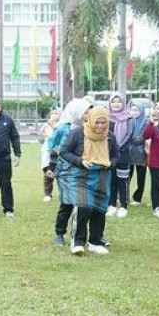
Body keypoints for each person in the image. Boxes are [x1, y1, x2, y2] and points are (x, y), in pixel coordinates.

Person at [58, 107, 118, 255]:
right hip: (81, 175)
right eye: (97, 122)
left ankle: (95, 241)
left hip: (102, 175)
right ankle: (77, 242)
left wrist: (111, 163)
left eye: (103, 123)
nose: (100, 126)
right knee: (84, 206)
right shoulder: (77, 134)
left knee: (100, 208)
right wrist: (80, 161)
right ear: (90, 120)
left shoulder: (110, 136)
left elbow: (117, 154)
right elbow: (63, 151)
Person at [46, 98, 92, 246]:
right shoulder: (63, 128)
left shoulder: (91, 128)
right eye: (86, 112)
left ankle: (80, 234)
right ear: (77, 113)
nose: (89, 114)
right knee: (67, 203)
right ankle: (59, 233)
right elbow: (50, 147)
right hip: (65, 171)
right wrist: (49, 167)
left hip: (85, 169)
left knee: (85, 204)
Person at [106, 92, 135, 218]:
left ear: (123, 103)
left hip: (123, 155)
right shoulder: (107, 117)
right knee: (111, 180)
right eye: (113, 101)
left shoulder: (129, 118)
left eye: (119, 101)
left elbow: (130, 136)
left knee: (123, 181)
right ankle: (111, 205)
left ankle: (123, 205)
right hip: (109, 155)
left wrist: (118, 148)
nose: (116, 104)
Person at [129, 100, 150, 206]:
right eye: (132, 110)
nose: (134, 112)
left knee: (141, 177)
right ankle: (124, 196)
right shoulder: (128, 121)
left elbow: (142, 137)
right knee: (127, 175)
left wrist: (133, 139)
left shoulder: (145, 122)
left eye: (136, 110)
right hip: (129, 153)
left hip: (141, 154)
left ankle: (138, 198)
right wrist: (133, 138)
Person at [40, 108, 60, 202]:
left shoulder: (63, 125)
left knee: (62, 175)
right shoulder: (45, 125)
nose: (54, 115)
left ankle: (63, 193)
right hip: (49, 154)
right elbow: (40, 138)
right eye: (52, 113)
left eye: (56, 113)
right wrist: (45, 139)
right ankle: (48, 194)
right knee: (48, 174)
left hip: (60, 154)